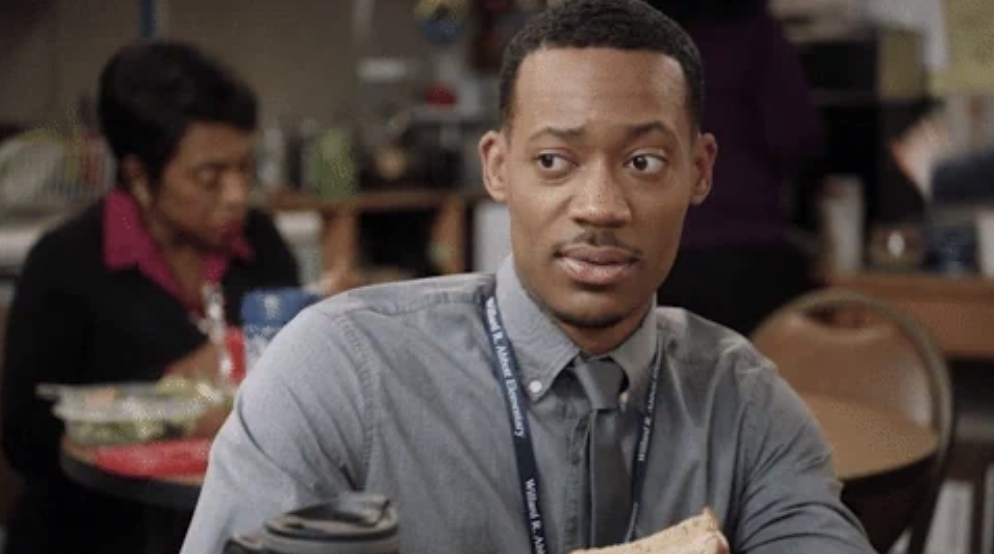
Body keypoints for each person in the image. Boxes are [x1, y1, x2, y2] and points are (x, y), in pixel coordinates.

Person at [182, 1, 872, 553]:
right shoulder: (341, 368)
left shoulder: (743, 401)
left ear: (701, 171)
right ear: (497, 167)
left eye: (643, 163)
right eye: (554, 161)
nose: (601, 207)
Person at [1, 41, 300, 554]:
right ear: (139, 175)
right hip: (96, 534)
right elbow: (25, 440)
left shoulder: (260, 246)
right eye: (210, 177)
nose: (235, 195)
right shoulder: (68, 263)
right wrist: (172, 397)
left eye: (244, 170)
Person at [649, 0, 825, 335]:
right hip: (750, 255)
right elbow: (796, 136)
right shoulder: (755, 31)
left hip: (660, 258)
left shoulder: (636, 36)